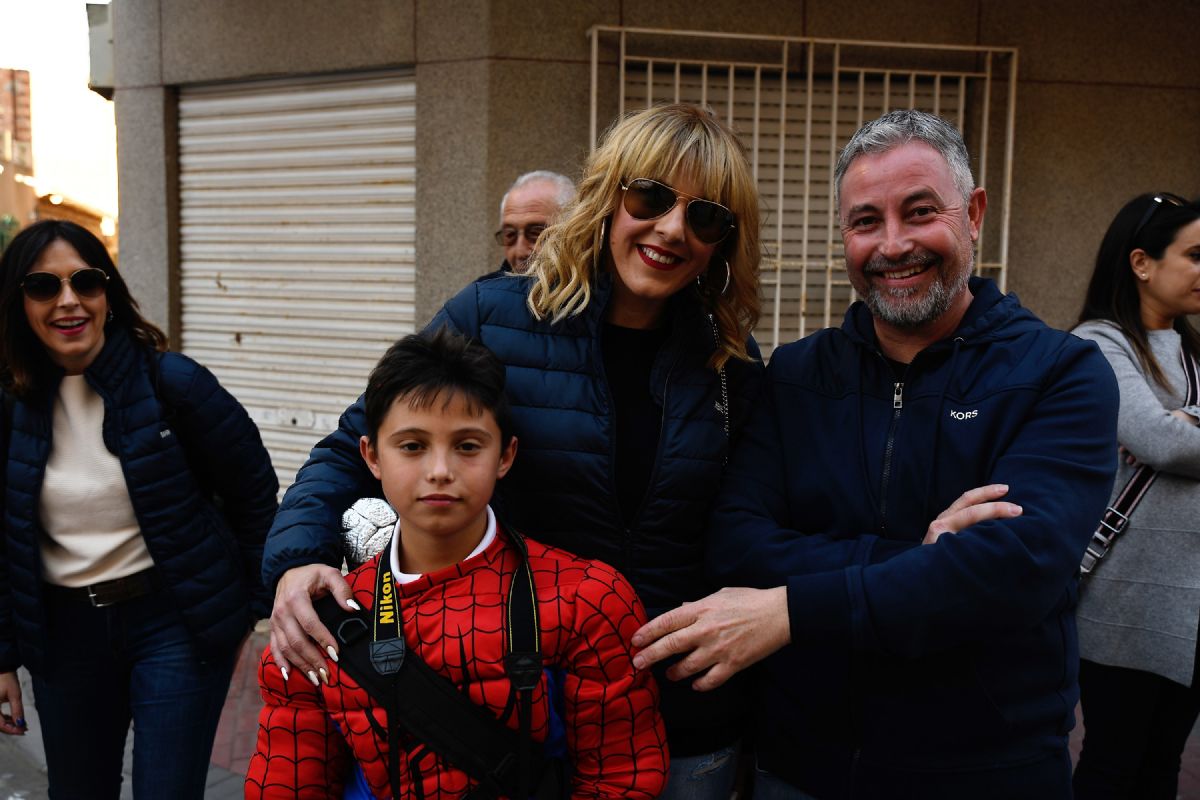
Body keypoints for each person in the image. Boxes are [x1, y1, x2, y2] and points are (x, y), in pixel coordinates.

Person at [266, 103, 764, 799]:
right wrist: (298, 560)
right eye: (649, 197)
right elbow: (357, 445)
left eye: (705, 216)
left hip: (687, 713)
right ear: (607, 196)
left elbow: (752, 523)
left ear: (723, 241)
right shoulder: (493, 317)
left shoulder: (730, 365)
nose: (672, 229)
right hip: (521, 706)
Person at [632, 109, 1120, 799]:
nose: (893, 245)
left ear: (974, 214)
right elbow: (737, 545)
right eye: (866, 221)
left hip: (987, 774)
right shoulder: (796, 376)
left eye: (919, 212)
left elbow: (1018, 573)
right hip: (802, 771)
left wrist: (792, 611)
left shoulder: (1062, 374)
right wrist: (925, 565)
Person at [246, 330, 668, 799]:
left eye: (468, 446)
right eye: (412, 446)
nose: (440, 470)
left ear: (505, 456)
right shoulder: (322, 625)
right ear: (371, 456)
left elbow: (623, 781)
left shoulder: (587, 600)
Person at [0, 219, 278, 799]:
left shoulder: (173, 383)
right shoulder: (10, 405)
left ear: (109, 294)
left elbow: (254, 491)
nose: (68, 300)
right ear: (18, 303)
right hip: (64, 633)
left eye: (86, 281)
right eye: (43, 287)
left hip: (171, 623)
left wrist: (242, 609)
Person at [1070, 193, 1200, 799]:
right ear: (1142, 262)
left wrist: (1178, 424)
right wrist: (1172, 430)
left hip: (1193, 609)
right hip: (1124, 605)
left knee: (1163, 767)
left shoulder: (1194, 353)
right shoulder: (1099, 344)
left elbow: (1165, 437)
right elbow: (1161, 442)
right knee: (1112, 765)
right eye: (1195, 255)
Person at [492, 170, 575, 274]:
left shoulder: (596, 287)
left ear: (572, 232)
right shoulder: (481, 289)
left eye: (536, 233)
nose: (520, 252)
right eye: (510, 234)